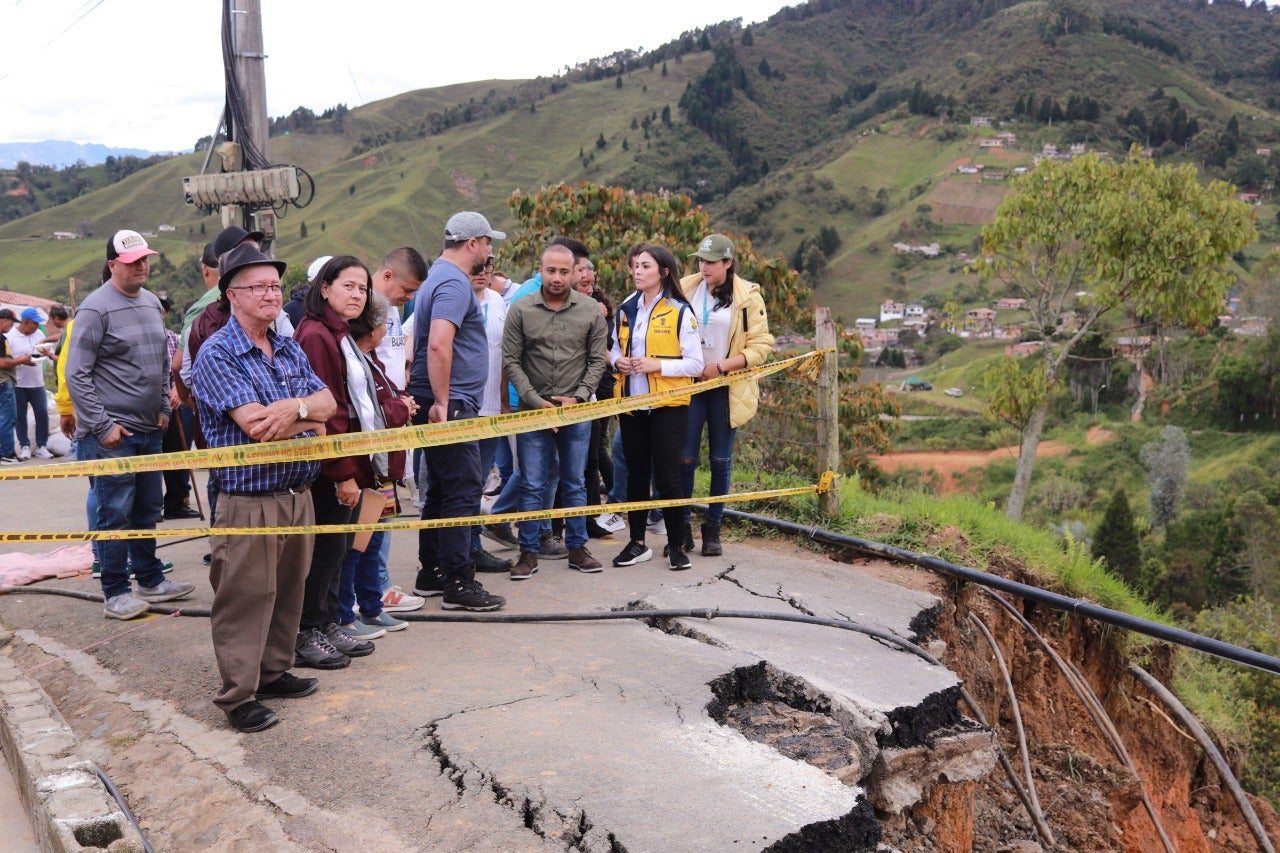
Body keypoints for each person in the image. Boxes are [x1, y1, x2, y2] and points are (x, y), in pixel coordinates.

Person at [192, 243, 338, 733]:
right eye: (259, 286)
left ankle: (273, 671)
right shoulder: (218, 353)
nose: (271, 294)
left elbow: (328, 403)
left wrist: (295, 412)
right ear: (232, 294)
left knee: (288, 590)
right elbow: (256, 426)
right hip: (249, 498)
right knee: (245, 596)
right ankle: (238, 696)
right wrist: (305, 416)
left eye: (275, 285)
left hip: (297, 491)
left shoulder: (288, 344)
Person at [64, 230, 195, 619]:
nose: (141, 265)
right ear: (112, 266)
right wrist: (103, 426)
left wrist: (164, 410)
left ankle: (151, 580)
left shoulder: (152, 303)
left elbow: (159, 364)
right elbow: (77, 374)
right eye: (132, 261)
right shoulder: (94, 309)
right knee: (114, 512)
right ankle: (116, 591)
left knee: (146, 508)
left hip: (149, 429)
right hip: (112, 436)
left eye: (145, 259)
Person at [407, 211, 507, 611]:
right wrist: (445, 401)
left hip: (442, 399)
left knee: (444, 490)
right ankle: (458, 582)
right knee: (463, 490)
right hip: (450, 403)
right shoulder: (453, 283)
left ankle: (431, 571)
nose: (489, 250)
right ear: (472, 244)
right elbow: (438, 344)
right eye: (487, 243)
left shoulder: (439, 277)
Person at [292, 255, 385, 664]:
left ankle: (327, 622)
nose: (357, 294)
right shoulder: (316, 335)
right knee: (326, 549)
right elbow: (329, 414)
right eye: (348, 285)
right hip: (327, 467)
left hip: (345, 460)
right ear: (325, 288)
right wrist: (343, 474)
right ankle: (307, 631)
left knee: (339, 545)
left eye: (363, 288)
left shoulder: (339, 333)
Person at [503, 244, 608, 580]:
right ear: (541, 270)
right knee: (533, 484)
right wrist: (536, 401)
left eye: (565, 271)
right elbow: (511, 361)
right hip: (534, 412)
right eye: (551, 271)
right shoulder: (520, 310)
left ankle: (578, 548)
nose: (558, 278)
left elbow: (597, 361)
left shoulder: (591, 310)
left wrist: (578, 398)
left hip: (575, 411)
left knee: (575, 483)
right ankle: (528, 553)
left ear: (575, 273)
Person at [678, 234, 775, 557]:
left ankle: (713, 527)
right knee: (685, 458)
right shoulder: (685, 288)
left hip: (725, 386)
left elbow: (760, 347)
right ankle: (681, 528)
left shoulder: (747, 297)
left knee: (720, 459)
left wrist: (721, 366)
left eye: (710, 262)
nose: (703, 267)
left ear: (728, 263)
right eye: (701, 261)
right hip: (690, 384)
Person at [608, 244, 702, 571]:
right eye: (634, 265)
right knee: (635, 475)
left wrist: (656, 365)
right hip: (632, 406)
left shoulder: (679, 312)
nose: (637, 271)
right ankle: (636, 543)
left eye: (645, 266)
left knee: (667, 476)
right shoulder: (625, 309)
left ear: (663, 272)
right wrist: (616, 360)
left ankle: (676, 545)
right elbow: (611, 349)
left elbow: (695, 365)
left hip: (668, 406)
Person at [335, 291, 416, 635]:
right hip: (365, 470)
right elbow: (375, 411)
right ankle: (345, 615)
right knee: (355, 546)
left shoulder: (370, 359)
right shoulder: (354, 361)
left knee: (372, 542)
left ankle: (371, 606)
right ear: (374, 326)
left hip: (382, 472)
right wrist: (403, 408)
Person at [369, 247, 431, 613]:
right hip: (376, 422)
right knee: (374, 509)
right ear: (388, 276)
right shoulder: (363, 307)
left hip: (393, 417)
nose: (407, 299)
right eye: (406, 291)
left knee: (387, 506)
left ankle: (380, 584)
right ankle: (375, 587)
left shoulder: (391, 310)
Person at [469, 250, 513, 574]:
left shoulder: (498, 302)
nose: (483, 272)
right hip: (462, 409)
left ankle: (472, 548)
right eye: (477, 266)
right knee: (462, 484)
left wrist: (504, 403)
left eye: (488, 267)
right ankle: (461, 552)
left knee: (479, 481)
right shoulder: (453, 299)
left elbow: (505, 354)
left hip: (492, 409)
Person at [7, 307, 53, 459]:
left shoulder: (39, 334)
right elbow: (7, 360)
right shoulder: (10, 336)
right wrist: (21, 361)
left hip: (37, 382)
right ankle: (25, 445)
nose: (37, 326)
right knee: (20, 416)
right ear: (26, 322)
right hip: (18, 383)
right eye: (35, 323)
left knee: (42, 413)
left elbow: (45, 352)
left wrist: (43, 356)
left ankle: (42, 445)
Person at [0, 308, 24, 464]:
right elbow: (2, 362)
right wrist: (19, 360)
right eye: (10, 323)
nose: (11, 326)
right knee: (7, 418)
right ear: (4, 320)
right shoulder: (0, 338)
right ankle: (7, 453)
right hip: (4, 381)